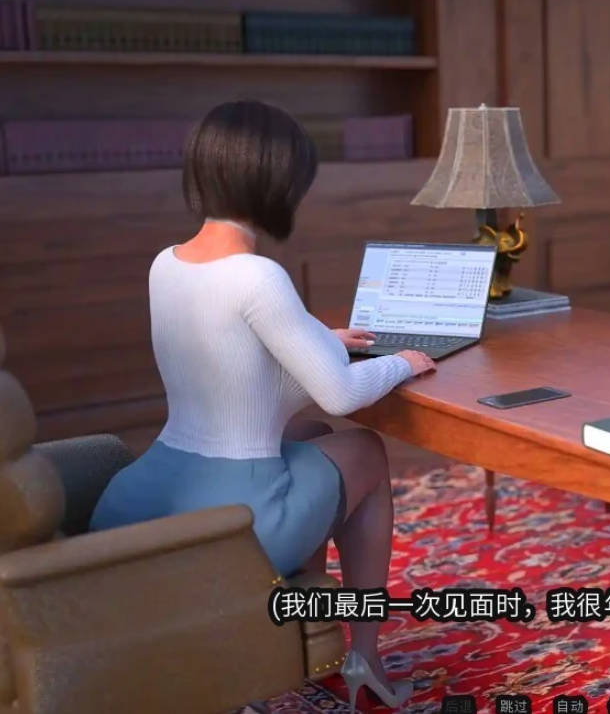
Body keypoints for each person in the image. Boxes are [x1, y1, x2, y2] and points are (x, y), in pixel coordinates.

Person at [88, 100, 435, 710]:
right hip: (234, 516)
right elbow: (342, 393)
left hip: (143, 497)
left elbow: (228, 358)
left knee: (309, 432)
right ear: (279, 183)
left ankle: (304, 634)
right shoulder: (258, 276)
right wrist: (405, 361)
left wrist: (318, 338)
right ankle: (365, 658)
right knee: (365, 450)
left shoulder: (166, 264)